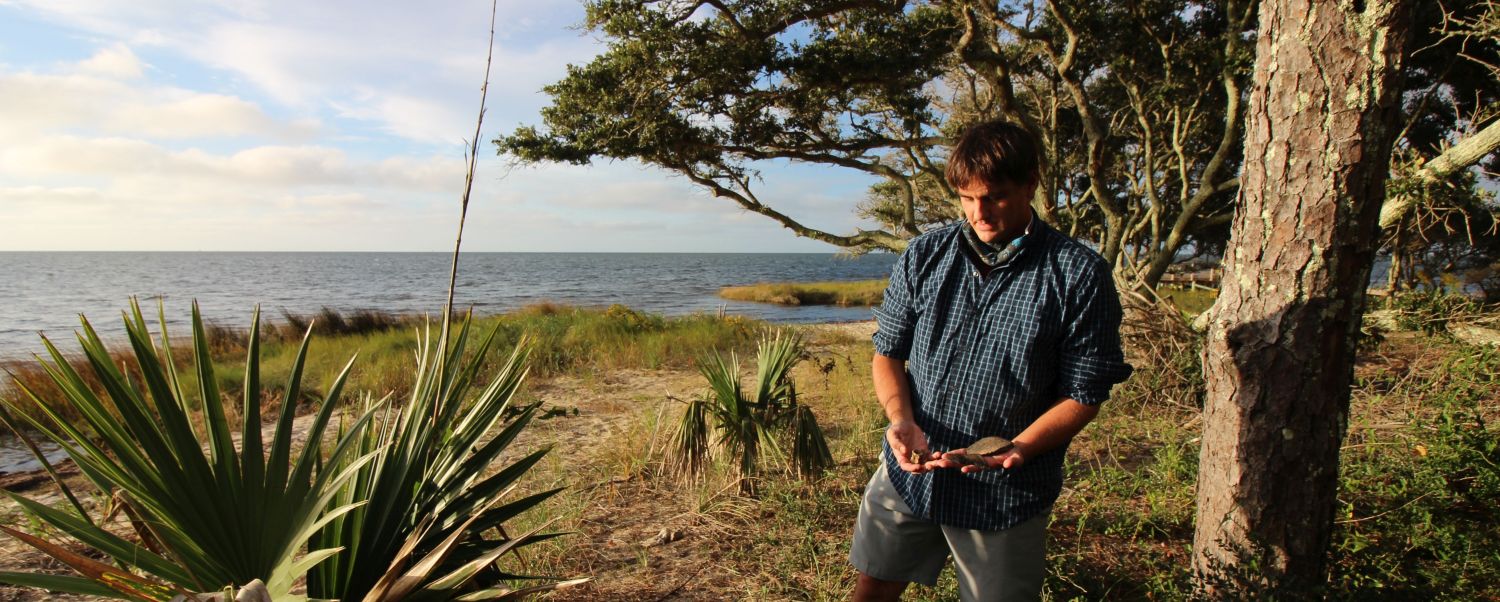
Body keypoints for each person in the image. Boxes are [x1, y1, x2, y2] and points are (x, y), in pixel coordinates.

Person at [849, 120, 1133, 602]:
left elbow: (1084, 395)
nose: (979, 213)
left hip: (1005, 491)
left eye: (995, 196)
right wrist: (900, 421)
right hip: (911, 474)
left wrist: (1021, 445)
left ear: (1030, 184)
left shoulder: (1078, 275)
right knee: (873, 587)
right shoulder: (925, 254)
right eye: (966, 197)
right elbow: (889, 353)